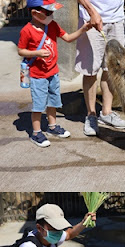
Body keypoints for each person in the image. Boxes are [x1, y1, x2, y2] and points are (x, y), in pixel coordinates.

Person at [17, 0, 91, 148]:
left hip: (53, 73)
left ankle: (52, 126)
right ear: (35, 13)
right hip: (38, 75)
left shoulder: (52, 25)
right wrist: (36, 53)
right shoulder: (27, 30)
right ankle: (36, 132)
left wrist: (83, 29)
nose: (52, 14)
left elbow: (68, 38)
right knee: (38, 105)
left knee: (53, 101)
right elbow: (21, 50)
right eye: (48, 12)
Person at [75, 0, 125, 136]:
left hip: (117, 19)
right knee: (90, 70)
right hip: (92, 19)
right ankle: (91, 115)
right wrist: (92, 12)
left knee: (111, 68)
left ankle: (107, 112)